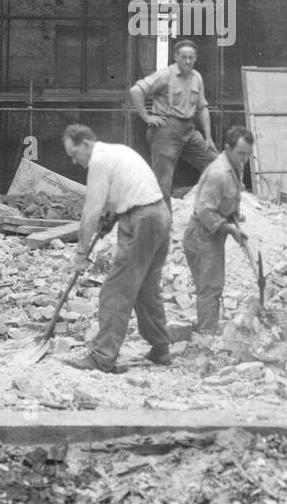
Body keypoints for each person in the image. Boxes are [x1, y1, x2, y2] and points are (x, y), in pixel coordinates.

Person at [61, 124, 173, 374]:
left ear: (86, 144)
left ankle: (102, 356)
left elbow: (91, 212)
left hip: (141, 220)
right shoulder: (117, 152)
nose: (73, 160)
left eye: (74, 153)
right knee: (146, 288)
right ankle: (161, 348)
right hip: (159, 214)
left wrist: (80, 254)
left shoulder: (99, 161)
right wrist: (111, 219)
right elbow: (125, 189)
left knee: (116, 289)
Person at [182, 126, 254, 339]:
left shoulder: (236, 166)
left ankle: (208, 328)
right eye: (241, 153)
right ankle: (207, 337)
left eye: (248, 154)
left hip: (214, 233)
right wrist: (230, 229)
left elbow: (228, 201)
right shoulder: (218, 173)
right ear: (227, 148)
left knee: (213, 284)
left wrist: (234, 219)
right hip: (202, 234)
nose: (245, 159)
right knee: (210, 287)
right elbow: (205, 211)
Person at [129, 39, 219, 201]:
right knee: (162, 181)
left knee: (217, 164)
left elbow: (203, 107)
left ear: (195, 58)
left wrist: (208, 137)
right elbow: (136, 91)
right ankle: (161, 222)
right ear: (176, 57)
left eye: (191, 58)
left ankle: (222, 208)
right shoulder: (165, 75)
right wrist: (147, 117)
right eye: (184, 57)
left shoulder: (197, 77)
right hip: (166, 131)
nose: (188, 61)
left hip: (189, 130)